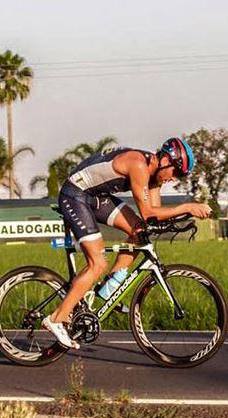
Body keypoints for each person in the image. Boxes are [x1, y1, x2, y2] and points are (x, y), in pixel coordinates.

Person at [43, 137, 212, 349]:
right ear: (166, 160)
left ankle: (109, 288)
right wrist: (187, 207)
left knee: (139, 231)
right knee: (98, 263)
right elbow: (150, 211)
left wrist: (178, 220)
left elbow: (151, 219)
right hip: (75, 195)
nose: (174, 179)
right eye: (176, 172)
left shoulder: (154, 178)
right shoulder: (139, 164)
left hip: (96, 196)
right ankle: (56, 318)